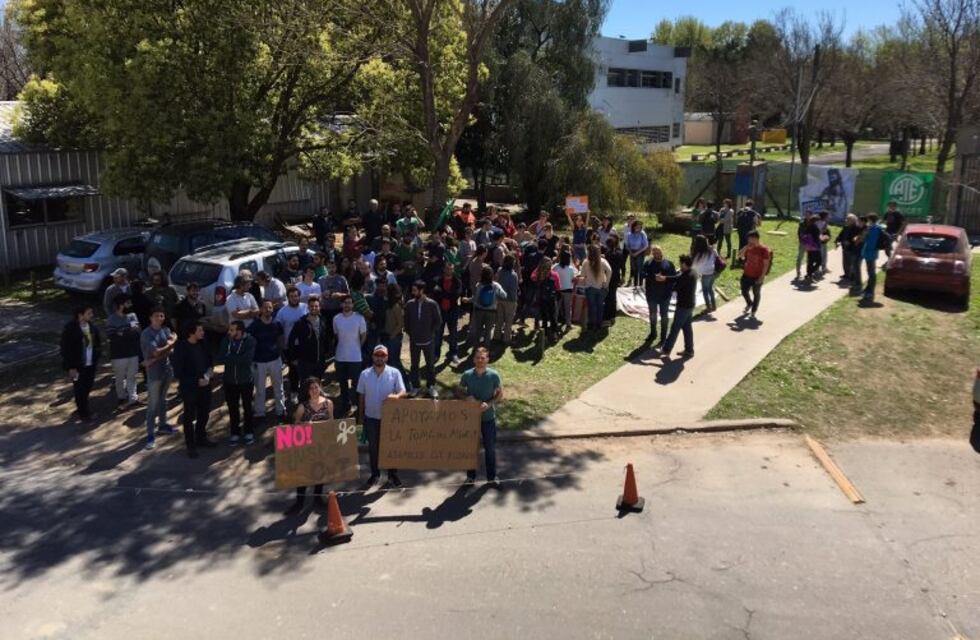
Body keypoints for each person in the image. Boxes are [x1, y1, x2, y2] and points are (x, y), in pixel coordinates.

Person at [357, 344, 407, 486]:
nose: (379, 357)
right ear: (373, 356)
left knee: (391, 446)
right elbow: (361, 396)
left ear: (387, 357)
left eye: (382, 355)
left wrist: (397, 397)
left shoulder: (395, 372)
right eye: (377, 355)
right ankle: (375, 474)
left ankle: (392, 474)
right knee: (373, 448)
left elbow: (403, 391)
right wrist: (360, 417)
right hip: (371, 417)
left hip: (390, 419)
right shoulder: (364, 374)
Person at [286, 377, 335, 513]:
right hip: (306, 445)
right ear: (307, 391)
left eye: (316, 387)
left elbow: (332, 421)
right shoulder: (303, 406)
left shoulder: (328, 403)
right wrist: (304, 425)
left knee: (320, 471)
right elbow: (295, 424)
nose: (314, 390)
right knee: (303, 473)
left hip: (322, 445)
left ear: (320, 387)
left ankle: (318, 498)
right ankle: (299, 502)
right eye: (311, 388)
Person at [457, 347, 502, 484]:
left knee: (490, 449)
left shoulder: (494, 375)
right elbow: (459, 391)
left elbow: (500, 394)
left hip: (488, 418)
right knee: (471, 449)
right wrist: (466, 397)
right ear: (473, 359)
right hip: (471, 419)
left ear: (488, 359)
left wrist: (489, 404)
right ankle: (470, 477)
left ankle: (491, 478)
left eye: (483, 358)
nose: (480, 360)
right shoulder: (467, 374)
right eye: (477, 358)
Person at [172, 320, 215, 458]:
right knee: (189, 416)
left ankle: (201, 437)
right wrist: (197, 381)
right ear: (191, 332)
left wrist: (208, 374)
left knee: (204, 413)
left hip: (205, 384)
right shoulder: (181, 347)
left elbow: (210, 361)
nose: (203, 333)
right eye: (200, 331)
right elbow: (178, 371)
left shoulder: (203, 343)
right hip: (189, 387)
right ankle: (191, 445)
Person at [141, 307, 178, 448]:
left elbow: (171, 350)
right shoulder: (146, 334)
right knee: (153, 404)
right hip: (154, 373)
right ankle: (150, 434)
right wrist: (171, 344)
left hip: (167, 370)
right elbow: (156, 352)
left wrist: (169, 346)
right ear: (150, 318)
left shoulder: (166, 330)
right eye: (156, 316)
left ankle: (162, 425)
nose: (159, 318)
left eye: (161, 316)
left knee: (163, 400)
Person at [60, 304, 102, 423]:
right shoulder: (70, 328)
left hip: (90, 364)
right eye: (89, 313)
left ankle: (82, 407)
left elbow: (97, 343)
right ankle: (84, 413)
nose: (91, 315)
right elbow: (65, 349)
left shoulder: (92, 327)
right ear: (80, 315)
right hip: (77, 366)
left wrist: (97, 355)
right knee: (79, 389)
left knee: (88, 386)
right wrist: (71, 367)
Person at [217, 320, 256, 445]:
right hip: (230, 381)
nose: (229, 332)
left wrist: (230, 357)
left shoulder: (250, 341)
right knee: (233, 408)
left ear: (239, 331)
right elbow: (221, 357)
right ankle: (235, 433)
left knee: (247, 407)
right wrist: (235, 358)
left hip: (246, 380)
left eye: (232, 330)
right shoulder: (225, 341)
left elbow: (247, 360)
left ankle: (249, 432)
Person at [248, 300, 286, 420]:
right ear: (261, 309)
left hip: (275, 359)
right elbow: (248, 340)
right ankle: (260, 413)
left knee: (278, 386)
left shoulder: (277, 323)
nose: (268, 310)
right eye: (265, 308)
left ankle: (281, 411)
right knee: (260, 388)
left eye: (270, 308)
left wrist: (281, 355)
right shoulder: (255, 325)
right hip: (259, 361)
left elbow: (281, 339)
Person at [404, 280, 442, 396]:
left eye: (415, 290)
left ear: (422, 290)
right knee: (414, 365)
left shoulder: (432, 304)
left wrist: (430, 333)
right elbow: (406, 322)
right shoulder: (410, 304)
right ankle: (415, 386)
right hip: (414, 341)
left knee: (430, 365)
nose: (413, 292)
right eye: (412, 290)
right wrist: (411, 333)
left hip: (428, 341)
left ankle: (431, 386)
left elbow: (438, 321)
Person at [332, 295, 367, 414]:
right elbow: (337, 336)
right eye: (345, 303)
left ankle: (358, 406)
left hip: (355, 357)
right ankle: (345, 406)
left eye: (349, 303)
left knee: (356, 384)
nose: (347, 305)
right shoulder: (336, 318)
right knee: (343, 384)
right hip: (340, 357)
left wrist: (357, 347)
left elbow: (363, 336)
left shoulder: (359, 318)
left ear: (353, 305)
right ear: (341, 305)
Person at [106, 294, 142, 409]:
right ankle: (121, 397)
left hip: (133, 352)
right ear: (120, 305)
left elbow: (137, 333)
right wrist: (127, 332)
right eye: (127, 303)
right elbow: (113, 337)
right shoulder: (111, 319)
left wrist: (122, 332)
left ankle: (133, 398)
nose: (130, 305)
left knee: (132, 376)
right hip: (119, 354)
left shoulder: (132, 316)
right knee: (120, 377)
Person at [274, 286, 308, 403]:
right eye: (292, 296)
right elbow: (278, 331)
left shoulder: (306, 308)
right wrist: (282, 346)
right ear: (288, 298)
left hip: (305, 345)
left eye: (296, 296)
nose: (294, 298)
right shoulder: (282, 312)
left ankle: (307, 391)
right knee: (293, 369)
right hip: (290, 346)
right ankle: (294, 391)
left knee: (305, 369)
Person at [288, 295, 331, 387]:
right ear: (308, 307)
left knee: (317, 383)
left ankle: (317, 400)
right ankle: (304, 400)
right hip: (305, 361)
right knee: (305, 385)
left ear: (319, 307)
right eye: (312, 306)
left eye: (316, 306)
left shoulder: (323, 320)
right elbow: (291, 340)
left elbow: (326, 338)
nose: (314, 308)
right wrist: (293, 358)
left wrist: (326, 352)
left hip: (320, 360)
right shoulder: (300, 323)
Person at [658, 255, 696, 359]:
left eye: (680, 263)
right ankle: (689, 350)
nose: (680, 265)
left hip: (683, 307)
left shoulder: (685, 276)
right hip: (690, 305)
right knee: (687, 329)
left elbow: (675, 286)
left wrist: (664, 280)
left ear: (684, 264)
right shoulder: (692, 272)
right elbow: (678, 277)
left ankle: (666, 350)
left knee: (675, 328)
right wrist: (666, 278)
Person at [641, 246, 676, 346]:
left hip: (665, 296)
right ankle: (653, 333)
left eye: (658, 252)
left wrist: (665, 278)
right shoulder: (648, 263)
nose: (656, 254)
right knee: (652, 315)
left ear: (661, 252)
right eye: (654, 252)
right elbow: (642, 273)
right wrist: (653, 277)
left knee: (664, 317)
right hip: (651, 295)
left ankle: (663, 337)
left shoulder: (669, 264)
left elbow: (674, 278)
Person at [430, 260, 462, 364]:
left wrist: (442, 293)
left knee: (453, 334)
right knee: (438, 334)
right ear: (444, 269)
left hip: (452, 311)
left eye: (451, 269)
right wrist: (448, 294)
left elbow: (455, 296)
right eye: (448, 269)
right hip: (440, 311)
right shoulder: (437, 280)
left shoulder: (457, 281)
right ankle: (436, 354)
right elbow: (435, 295)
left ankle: (453, 353)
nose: (449, 271)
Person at [469, 265, 507, 348]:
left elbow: (475, 298)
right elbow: (504, 295)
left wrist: (468, 300)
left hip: (479, 310)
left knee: (478, 330)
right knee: (488, 331)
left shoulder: (479, 285)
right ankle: (486, 349)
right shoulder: (496, 285)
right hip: (491, 311)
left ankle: (476, 348)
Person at [738, 230, 771, 319]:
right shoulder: (748, 247)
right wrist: (745, 248)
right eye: (749, 239)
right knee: (744, 291)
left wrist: (762, 277)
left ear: (756, 238)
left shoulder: (763, 249)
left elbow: (766, 265)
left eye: (752, 239)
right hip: (747, 273)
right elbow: (740, 256)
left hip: (757, 276)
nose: (750, 241)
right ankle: (749, 303)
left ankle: (754, 310)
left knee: (756, 293)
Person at [579, 244, 611, 331]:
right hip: (601, 287)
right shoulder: (603, 261)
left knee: (591, 307)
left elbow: (582, 275)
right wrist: (606, 283)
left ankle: (591, 324)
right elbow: (609, 271)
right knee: (600, 306)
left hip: (590, 288)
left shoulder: (586, 262)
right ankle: (599, 324)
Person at [858, 213, 887, 305]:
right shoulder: (872, 228)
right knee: (870, 272)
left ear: (870, 220)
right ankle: (867, 290)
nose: (867, 222)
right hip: (869, 253)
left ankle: (869, 292)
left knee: (871, 273)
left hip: (871, 253)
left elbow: (871, 243)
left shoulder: (875, 229)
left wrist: (865, 237)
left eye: (868, 220)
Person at [531, 256, 561, 343]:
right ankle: (554, 334)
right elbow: (558, 287)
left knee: (544, 317)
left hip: (541, 298)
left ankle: (544, 335)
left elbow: (532, 277)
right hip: (551, 298)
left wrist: (539, 268)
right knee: (553, 317)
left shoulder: (537, 274)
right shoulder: (554, 275)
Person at [494, 254, 520, 344]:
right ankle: (506, 338)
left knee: (499, 320)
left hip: (499, 298)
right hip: (510, 300)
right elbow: (514, 289)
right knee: (508, 321)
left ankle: (496, 336)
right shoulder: (514, 275)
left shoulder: (499, 271)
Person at [690, 235, 720, 314]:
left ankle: (708, 307)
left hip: (706, 274)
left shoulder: (698, 253)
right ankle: (713, 306)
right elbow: (717, 258)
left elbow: (693, 266)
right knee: (710, 288)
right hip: (714, 272)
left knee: (705, 291)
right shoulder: (712, 249)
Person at [383, 283, 406, 376]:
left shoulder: (396, 306)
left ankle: (405, 382)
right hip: (389, 336)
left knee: (395, 362)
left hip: (394, 338)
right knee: (391, 361)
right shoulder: (389, 304)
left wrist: (392, 336)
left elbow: (400, 324)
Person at [553, 250, 578, 330]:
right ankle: (568, 324)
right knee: (568, 308)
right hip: (568, 290)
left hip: (558, 290)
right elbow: (573, 279)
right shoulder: (571, 269)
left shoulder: (556, 267)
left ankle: (554, 323)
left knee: (556, 308)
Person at [604, 236, 626, 325]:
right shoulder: (620, 253)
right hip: (616, 276)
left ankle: (607, 316)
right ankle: (613, 316)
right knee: (613, 296)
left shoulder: (607, 254)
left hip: (608, 277)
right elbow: (623, 267)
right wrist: (623, 277)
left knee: (608, 297)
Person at [835, 214, 861, 283]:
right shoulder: (845, 227)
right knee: (845, 262)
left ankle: (852, 276)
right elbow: (840, 235)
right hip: (845, 247)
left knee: (852, 263)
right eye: (847, 219)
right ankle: (846, 274)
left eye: (849, 219)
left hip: (852, 248)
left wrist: (850, 242)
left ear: (853, 220)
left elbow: (857, 238)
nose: (847, 220)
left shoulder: (857, 228)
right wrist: (837, 241)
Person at [624, 220, 649, 287]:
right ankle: (635, 284)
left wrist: (637, 253)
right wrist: (631, 252)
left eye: (639, 226)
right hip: (632, 252)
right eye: (636, 226)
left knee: (640, 269)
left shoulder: (642, 234)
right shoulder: (629, 234)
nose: (638, 227)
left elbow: (646, 245)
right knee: (634, 269)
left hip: (640, 252)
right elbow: (627, 245)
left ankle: (640, 284)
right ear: (633, 226)